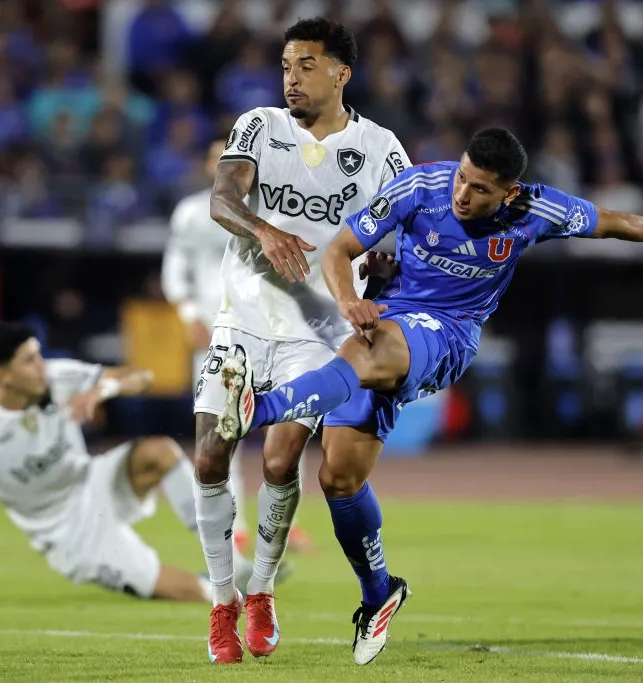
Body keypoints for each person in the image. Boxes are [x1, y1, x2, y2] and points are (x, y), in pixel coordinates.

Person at [215, 127, 643, 665]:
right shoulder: (419, 187)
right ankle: (379, 591)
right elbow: (340, 249)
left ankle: (256, 409)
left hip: (447, 334)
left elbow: (611, 221)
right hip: (385, 318)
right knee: (338, 477)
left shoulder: (534, 210)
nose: (462, 194)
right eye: (462, 177)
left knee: (362, 354)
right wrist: (350, 301)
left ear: (508, 192)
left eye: (480, 189)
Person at [193, 17, 410, 664]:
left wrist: (388, 277)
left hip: (319, 333)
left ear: (342, 72)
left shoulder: (380, 148)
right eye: (286, 65)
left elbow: (405, 229)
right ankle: (221, 601)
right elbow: (221, 199)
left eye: (306, 64)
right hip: (243, 317)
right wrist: (263, 230)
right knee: (209, 455)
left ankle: (261, 592)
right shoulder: (259, 125)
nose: (291, 76)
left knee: (283, 463)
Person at [0, 322, 257, 604]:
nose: (41, 366)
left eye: (38, 355)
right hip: (67, 533)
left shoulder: (56, 377)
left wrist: (102, 389)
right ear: (2, 374)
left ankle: (235, 565)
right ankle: (226, 595)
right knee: (186, 592)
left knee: (160, 452)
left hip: (93, 481)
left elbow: (142, 377)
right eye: (29, 360)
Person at [162, 137, 312, 556]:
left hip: (273, 326)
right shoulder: (193, 212)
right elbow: (175, 268)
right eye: (215, 159)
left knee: (288, 423)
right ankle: (237, 525)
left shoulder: (273, 208)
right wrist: (188, 313)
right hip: (216, 331)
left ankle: (286, 523)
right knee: (222, 428)